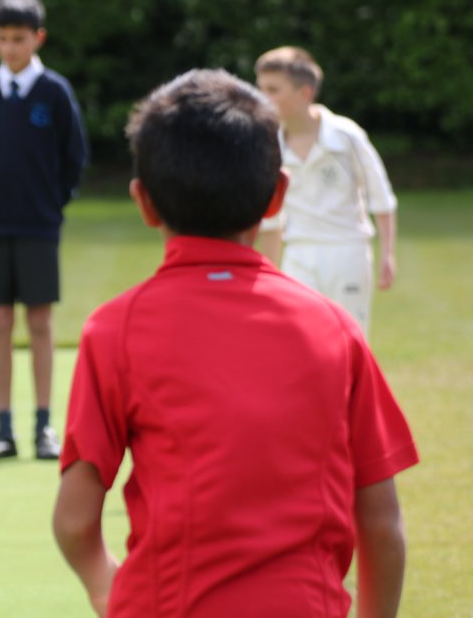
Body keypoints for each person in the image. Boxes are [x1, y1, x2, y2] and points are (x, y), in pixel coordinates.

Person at [52, 69, 418, 617]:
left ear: (144, 202)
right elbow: (382, 522)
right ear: (277, 198)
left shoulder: (114, 331)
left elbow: (76, 521)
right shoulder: (335, 329)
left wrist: (107, 588)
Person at [0, 0, 89, 460]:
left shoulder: (54, 92)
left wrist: (52, 206)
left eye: (18, 39)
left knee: (39, 320)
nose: (9, 49)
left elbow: (73, 158)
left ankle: (43, 426)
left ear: (38, 38)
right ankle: (3, 429)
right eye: (1, 39)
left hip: (39, 224)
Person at [254, 46, 398, 336]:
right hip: (299, 254)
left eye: (273, 90)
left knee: (350, 337)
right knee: (301, 339)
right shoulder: (270, 144)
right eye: (261, 89)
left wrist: (388, 253)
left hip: (347, 250)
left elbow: (380, 196)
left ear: (304, 93)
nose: (263, 99)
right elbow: (270, 218)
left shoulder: (346, 136)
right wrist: (267, 272)